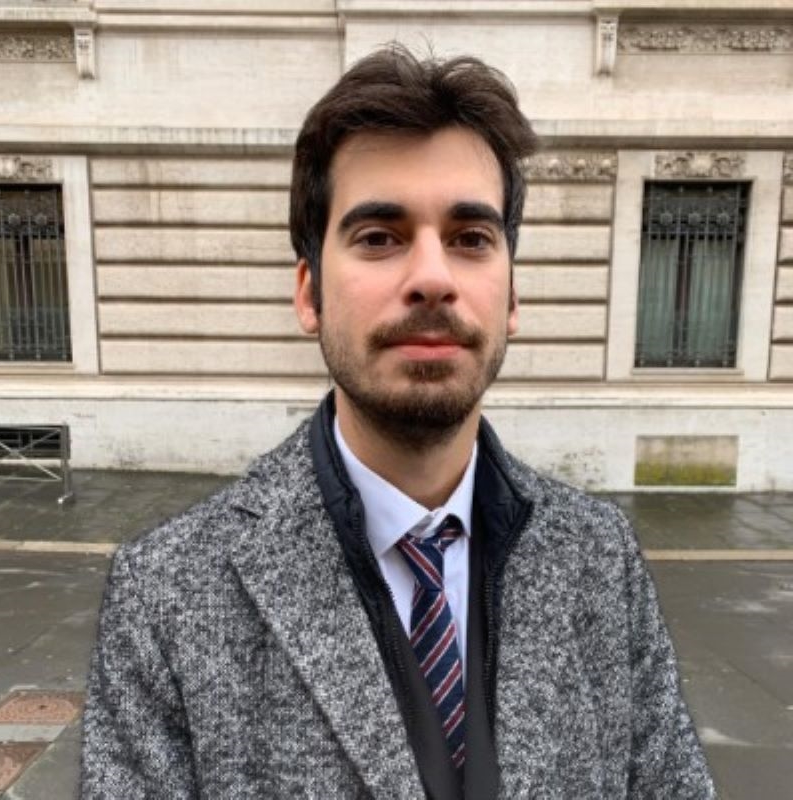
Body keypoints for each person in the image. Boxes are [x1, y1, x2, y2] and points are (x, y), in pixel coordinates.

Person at [81, 45, 715, 799]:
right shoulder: (166, 594)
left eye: (470, 238)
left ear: (511, 296)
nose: (432, 278)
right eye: (380, 237)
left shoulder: (601, 562)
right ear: (310, 292)